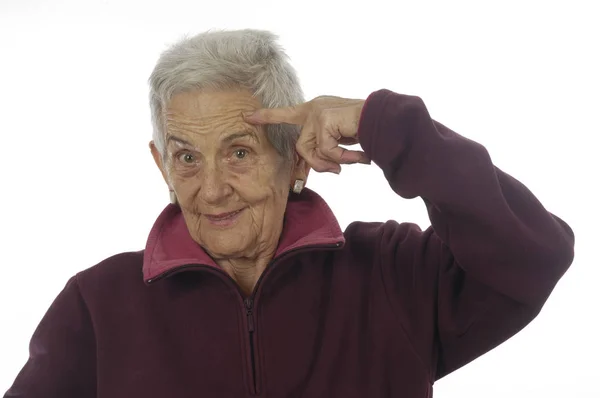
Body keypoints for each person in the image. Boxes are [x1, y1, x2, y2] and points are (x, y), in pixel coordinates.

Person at [4, 29, 574, 398]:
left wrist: (386, 128)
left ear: (295, 161)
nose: (212, 190)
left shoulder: (392, 276)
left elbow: (533, 254)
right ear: (161, 166)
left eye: (240, 152)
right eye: (186, 157)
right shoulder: (96, 307)